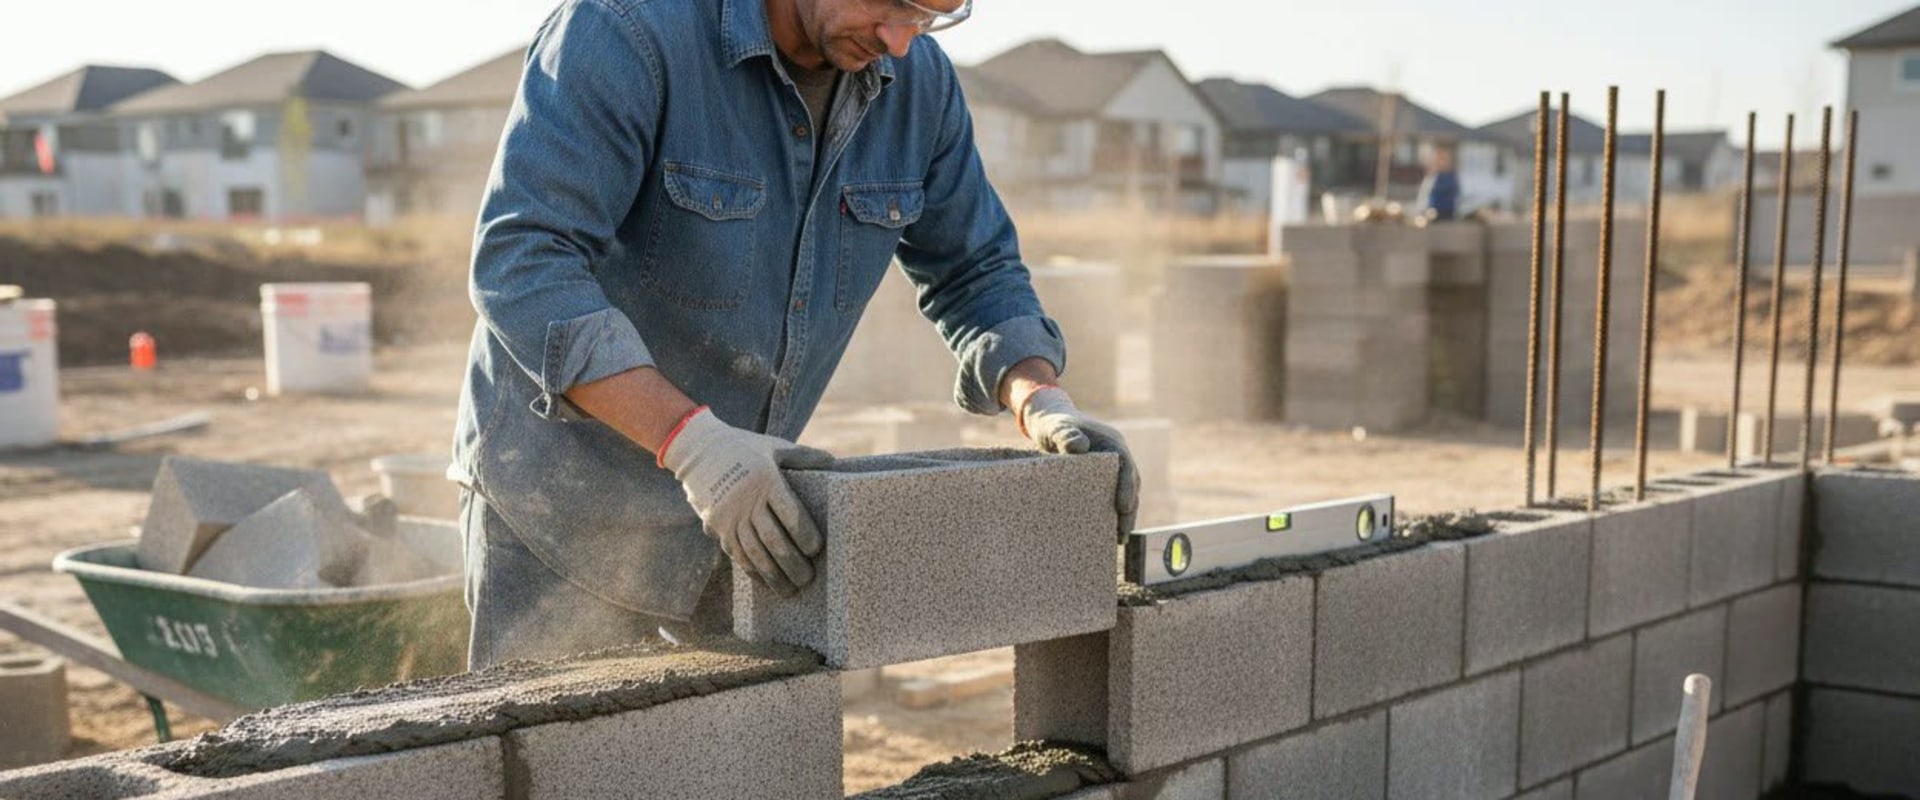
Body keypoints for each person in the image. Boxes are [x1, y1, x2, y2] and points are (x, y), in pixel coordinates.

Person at [450, 0, 1139, 669]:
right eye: (892, 3)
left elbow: (975, 270)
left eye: (930, 16)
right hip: (565, 511)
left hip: (747, 511)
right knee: (563, 745)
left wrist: (1040, 399)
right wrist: (693, 444)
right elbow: (526, 264)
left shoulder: (919, 86)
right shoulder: (627, 30)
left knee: (733, 740)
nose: (901, 40)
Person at [1416, 145, 1460, 222]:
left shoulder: (1449, 177)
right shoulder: (1431, 177)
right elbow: (1424, 196)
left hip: (1444, 213)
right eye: (1435, 159)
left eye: (1442, 159)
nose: (1437, 162)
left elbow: (1453, 194)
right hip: (1429, 212)